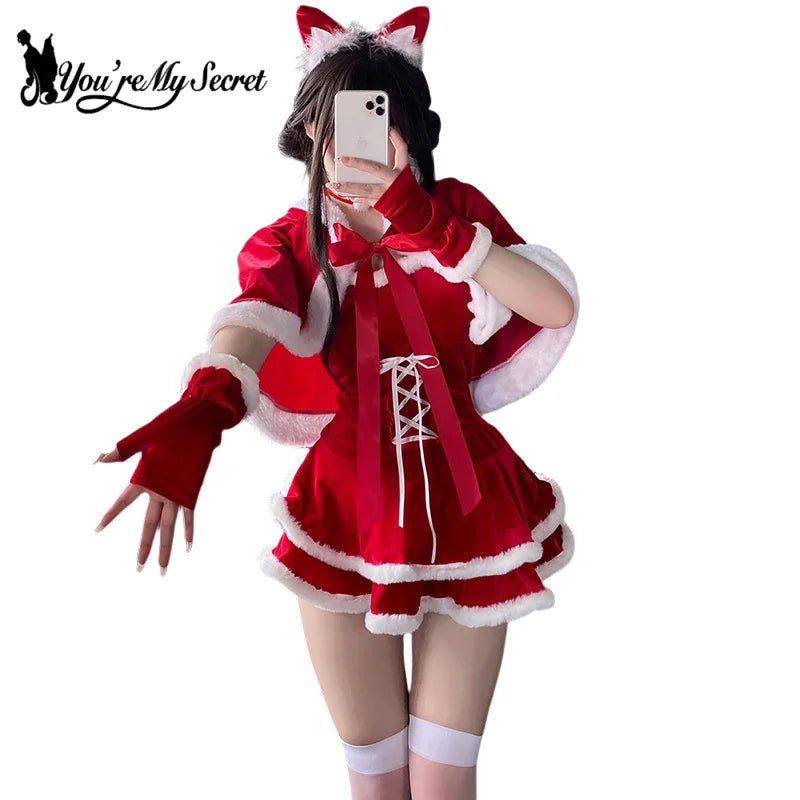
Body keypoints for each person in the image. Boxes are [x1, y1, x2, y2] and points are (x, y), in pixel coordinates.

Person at [93, 6, 580, 799]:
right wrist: (205, 408)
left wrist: (425, 220)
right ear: (311, 131)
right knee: (377, 783)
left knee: (444, 779)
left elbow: (552, 304)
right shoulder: (293, 241)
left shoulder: (458, 212)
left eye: (374, 114)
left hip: (472, 505)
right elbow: (252, 325)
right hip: (346, 507)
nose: (350, 139)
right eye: (333, 119)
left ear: (408, 127)